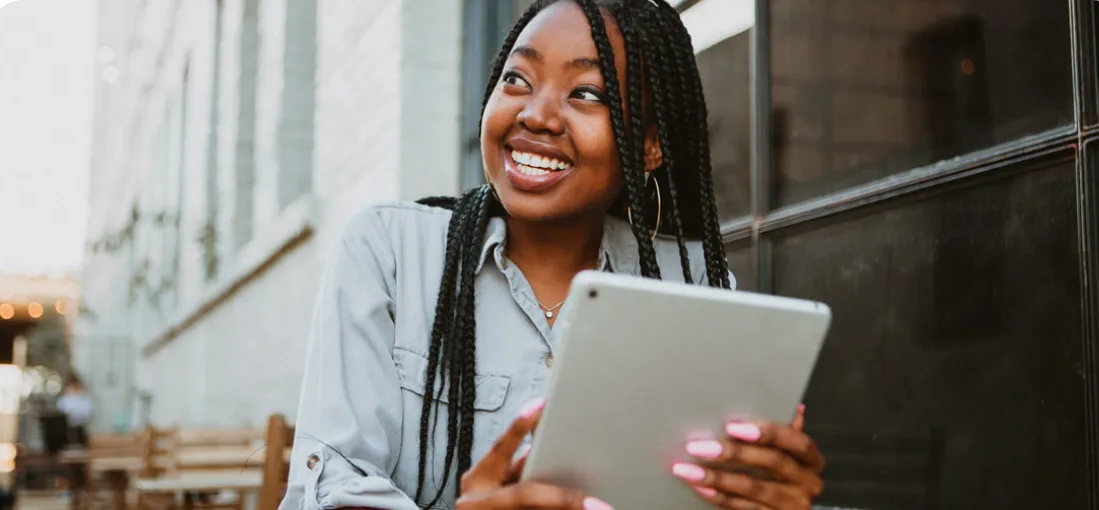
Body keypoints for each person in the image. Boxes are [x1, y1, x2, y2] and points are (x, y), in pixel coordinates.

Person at [280, 1, 825, 509]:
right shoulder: (390, 252)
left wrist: (759, 494)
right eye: (517, 79)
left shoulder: (698, 288)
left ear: (650, 147)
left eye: (587, 93)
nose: (537, 115)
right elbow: (328, 485)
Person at [56, 376, 91, 447]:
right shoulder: (63, 401)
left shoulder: (84, 400)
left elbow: (85, 415)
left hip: (80, 430)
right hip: (65, 431)